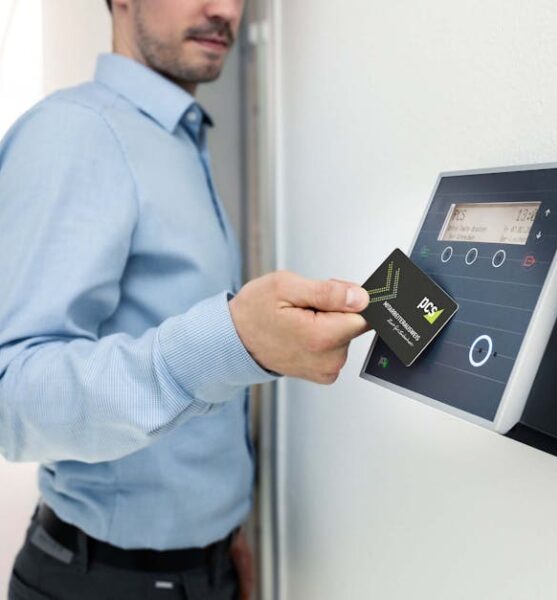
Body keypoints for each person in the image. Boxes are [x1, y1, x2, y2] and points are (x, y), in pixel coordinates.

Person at [0, 1, 370, 598]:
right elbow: (11, 392)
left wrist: (219, 538)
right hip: (101, 583)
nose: (225, 9)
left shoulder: (178, 137)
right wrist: (232, 343)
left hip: (207, 568)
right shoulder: (75, 131)